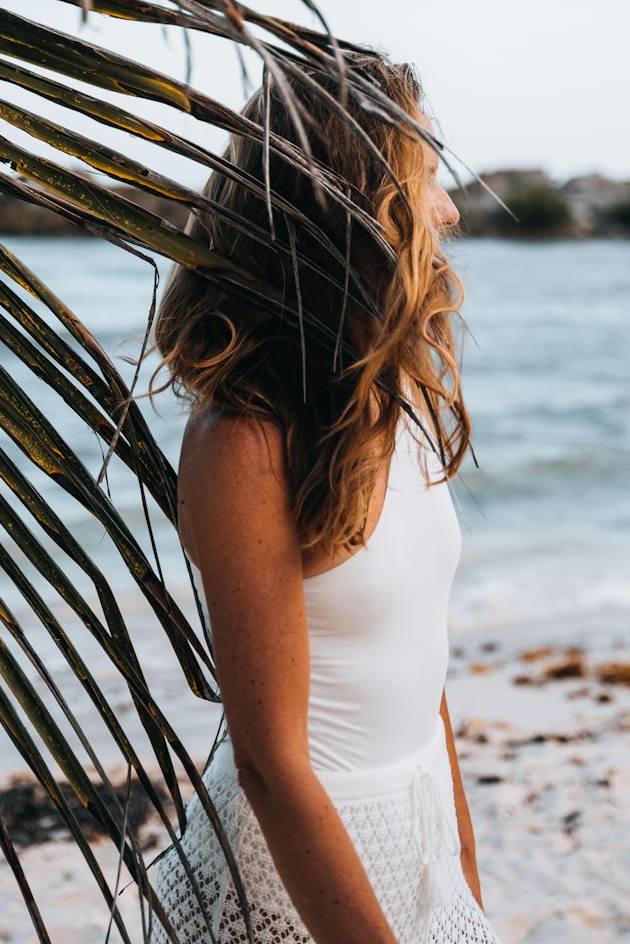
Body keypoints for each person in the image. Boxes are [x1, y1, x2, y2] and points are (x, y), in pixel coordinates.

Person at [149, 51, 501, 943]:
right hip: (293, 864)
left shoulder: (396, 395)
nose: (450, 211)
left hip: (413, 826)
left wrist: (461, 869)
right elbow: (270, 764)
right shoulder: (248, 437)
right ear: (355, 207)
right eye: (428, 181)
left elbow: (425, 659)